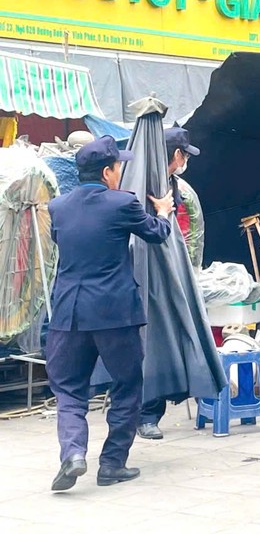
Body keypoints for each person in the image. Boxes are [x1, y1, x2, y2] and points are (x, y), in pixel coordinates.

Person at [47, 136, 174, 491]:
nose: (121, 172)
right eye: (118, 166)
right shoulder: (122, 204)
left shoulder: (58, 206)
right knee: (127, 385)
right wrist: (163, 211)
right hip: (114, 313)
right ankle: (112, 463)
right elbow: (155, 234)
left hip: (68, 314)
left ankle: (73, 453)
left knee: (70, 390)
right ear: (107, 172)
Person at [137, 127, 201, 441]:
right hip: (147, 273)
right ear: (176, 155)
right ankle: (146, 413)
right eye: (185, 154)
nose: (185, 160)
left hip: (170, 269)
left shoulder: (171, 184)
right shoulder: (144, 183)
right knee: (154, 339)